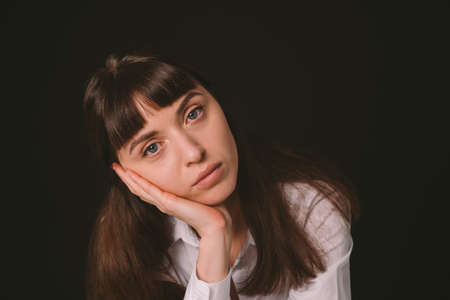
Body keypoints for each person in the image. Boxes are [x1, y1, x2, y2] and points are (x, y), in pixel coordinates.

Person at [82, 48, 360, 300]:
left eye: (193, 114)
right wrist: (214, 235)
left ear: (219, 106)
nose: (193, 153)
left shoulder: (309, 209)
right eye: (152, 148)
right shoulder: (131, 259)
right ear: (126, 177)